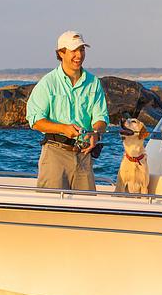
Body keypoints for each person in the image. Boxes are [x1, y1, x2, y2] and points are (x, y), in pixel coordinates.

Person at [25, 30, 110, 190]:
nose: (79, 55)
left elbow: (101, 118)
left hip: (84, 155)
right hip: (55, 153)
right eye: (74, 51)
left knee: (87, 209)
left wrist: (96, 133)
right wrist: (63, 128)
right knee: (50, 209)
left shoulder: (94, 82)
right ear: (61, 53)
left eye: (82, 49)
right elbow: (35, 120)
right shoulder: (48, 83)